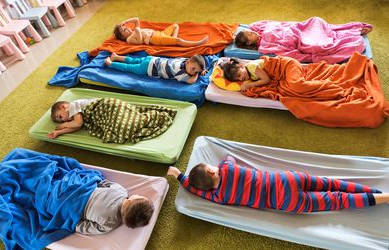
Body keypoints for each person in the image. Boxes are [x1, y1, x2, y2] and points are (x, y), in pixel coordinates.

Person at [167, 156, 389, 213]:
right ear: (212, 169)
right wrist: (177, 171)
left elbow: (196, 191)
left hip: (288, 202)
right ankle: (372, 191)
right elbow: (229, 158)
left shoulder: (218, 196)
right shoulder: (227, 167)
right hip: (288, 179)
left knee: (338, 200)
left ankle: (383, 197)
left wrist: (180, 177)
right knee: (330, 183)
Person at [233, 17, 373, 64]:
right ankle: (352, 37)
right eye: (249, 34)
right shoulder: (264, 46)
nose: (252, 31)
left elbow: (255, 25)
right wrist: (310, 58)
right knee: (321, 45)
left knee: (315, 20)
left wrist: (246, 30)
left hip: (300, 29)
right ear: (249, 43)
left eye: (250, 31)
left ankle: (353, 30)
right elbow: (287, 53)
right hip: (301, 41)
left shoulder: (260, 28)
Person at [47, 97, 177, 143]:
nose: (62, 119)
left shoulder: (74, 105)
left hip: (107, 107)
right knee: (122, 129)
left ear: (64, 106)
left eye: (60, 116)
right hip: (103, 116)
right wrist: (59, 133)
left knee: (124, 125)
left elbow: (78, 123)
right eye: (59, 120)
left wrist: (64, 124)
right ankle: (143, 119)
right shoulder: (74, 117)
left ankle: (148, 117)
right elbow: (76, 126)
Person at [76, 179, 154, 234]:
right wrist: (75, 225)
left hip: (81, 190)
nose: (138, 194)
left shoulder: (121, 191)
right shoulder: (110, 224)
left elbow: (102, 182)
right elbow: (85, 228)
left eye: (139, 196)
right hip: (74, 208)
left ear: (130, 201)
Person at [104, 52, 207, 84]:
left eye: (196, 71)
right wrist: (198, 73)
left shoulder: (183, 60)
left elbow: (194, 64)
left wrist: (199, 69)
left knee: (133, 60)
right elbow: (191, 81)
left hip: (152, 59)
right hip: (148, 69)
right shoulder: (180, 73)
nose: (194, 72)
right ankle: (110, 64)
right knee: (129, 67)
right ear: (188, 62)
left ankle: (116, 57)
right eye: (193, 69)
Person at [114, 17, 209, 47]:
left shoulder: (134, 30)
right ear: (122, 37)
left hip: (159, 33)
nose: (127, 28)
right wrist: (138, 31)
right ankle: (197, 43)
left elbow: (137, 19)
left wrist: (125, 21)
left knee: (175, 25)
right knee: (178, 40)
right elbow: (139, 42)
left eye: (125, 27)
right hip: (154, 39)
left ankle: (172, 40)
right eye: (124, 30)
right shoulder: (129, 39)